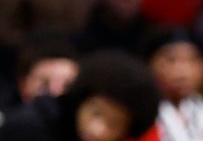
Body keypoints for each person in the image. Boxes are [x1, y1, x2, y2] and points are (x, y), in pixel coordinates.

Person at [0, 47, 161, 141]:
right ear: (80, 100)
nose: (97, 130)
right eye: (96, 113)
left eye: (113, 124)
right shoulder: (28, 127)